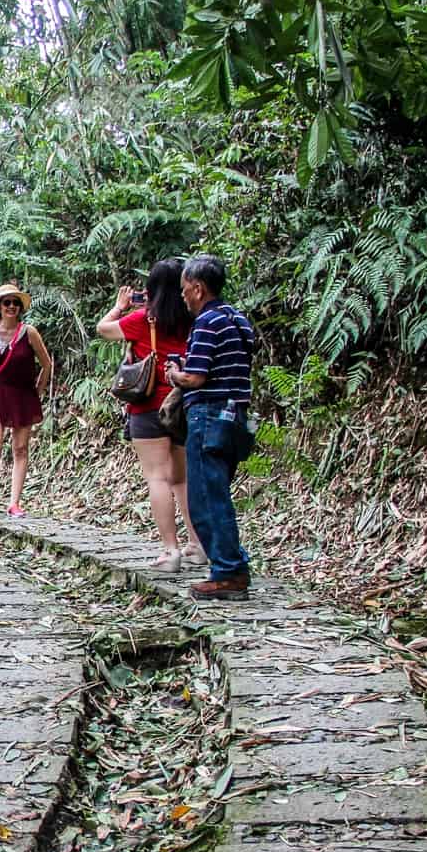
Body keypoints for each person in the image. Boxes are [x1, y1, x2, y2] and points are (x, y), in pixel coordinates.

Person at [97, 259, 203, 572]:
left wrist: (119, 307)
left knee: (157, 477)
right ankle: (197, 546)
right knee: (183, 479)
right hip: (182, 404)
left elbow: (103, 329)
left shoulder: (144, 319)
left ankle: (171, 552)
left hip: (148, 409)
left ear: (152, 290)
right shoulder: (195, 318)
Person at [164, 253, 258, 601]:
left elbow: (196, 376)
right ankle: (232, 564)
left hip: (209, 416)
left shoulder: (206, 323)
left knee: (205, 498)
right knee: (217, 494)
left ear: (199, 288)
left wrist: (174, 374)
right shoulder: (238, 320)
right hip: (235, 417)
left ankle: (227, 572)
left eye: (185, 289)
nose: (184, 296)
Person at [0, 283, 54, 518]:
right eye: (6, 302)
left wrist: (37, 390)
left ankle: (14, 503)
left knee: (20, 448)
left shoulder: (28, 332)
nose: (11, 306)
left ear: (20, 307)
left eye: (15, 303)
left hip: (22, 395)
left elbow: (47, 363)